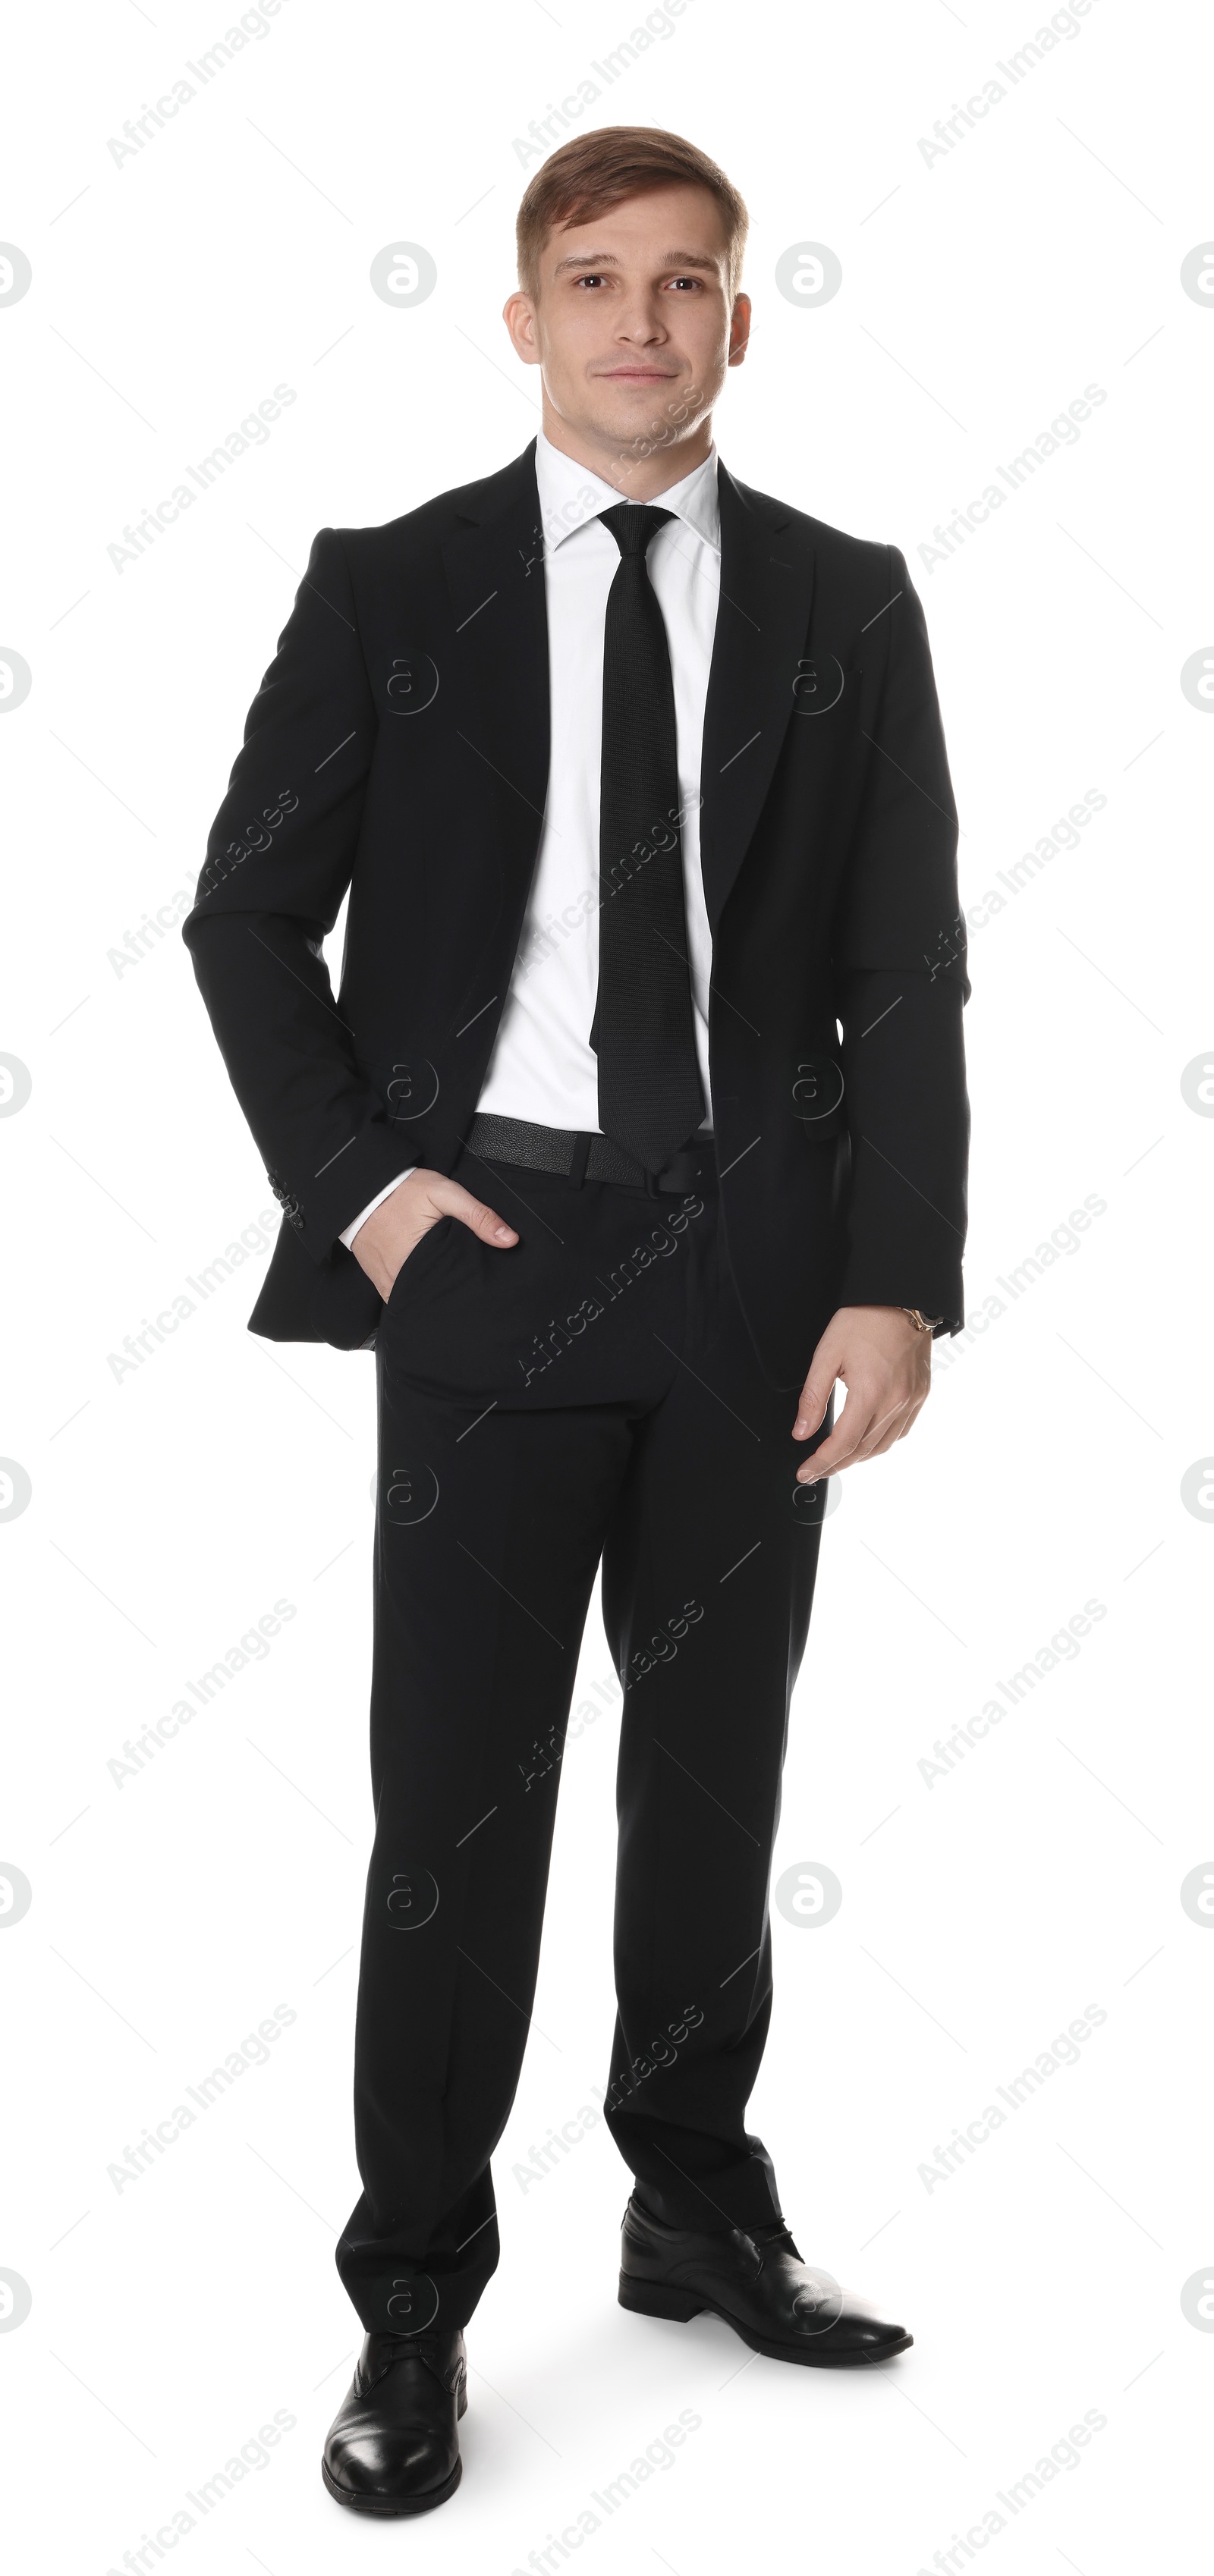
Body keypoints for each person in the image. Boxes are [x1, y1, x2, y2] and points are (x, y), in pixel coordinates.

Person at [184, 124, 970, 2517]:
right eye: (596, 279)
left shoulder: (846, 603)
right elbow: (243, 923)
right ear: (522, 317)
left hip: (755, 1278)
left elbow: (899, 971)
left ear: (747, 318)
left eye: (691, 281)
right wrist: (368, 1194)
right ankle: (412, 2298)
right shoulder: (393, 585)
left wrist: (893, 1280)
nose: (645, 320)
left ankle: (691, 2194)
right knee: (459, 1811)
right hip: (496, 1274)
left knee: (713, 1778)